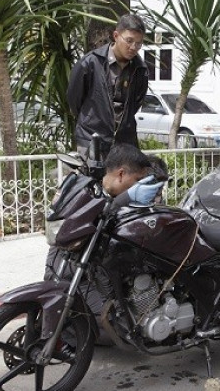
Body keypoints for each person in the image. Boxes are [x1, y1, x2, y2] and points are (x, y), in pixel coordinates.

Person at [45, 144, 163, 345]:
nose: (138, 185)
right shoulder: (91, 193)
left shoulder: (103, 192)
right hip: (73, 279)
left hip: (71, 277)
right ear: (121, 174)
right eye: (136, 180)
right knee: (115, 330)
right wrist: (126, 199)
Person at [68, 14, 149, 160]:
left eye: (139, 43)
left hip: (125, 143)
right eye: (129, 41)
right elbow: (74, 101)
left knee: (123, 182)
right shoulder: (90, 63)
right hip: (91, 140)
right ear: (116, 35)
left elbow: (136, 104)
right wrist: (92, 119)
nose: (133, 47)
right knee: (91, 181)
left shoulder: (140, 69)